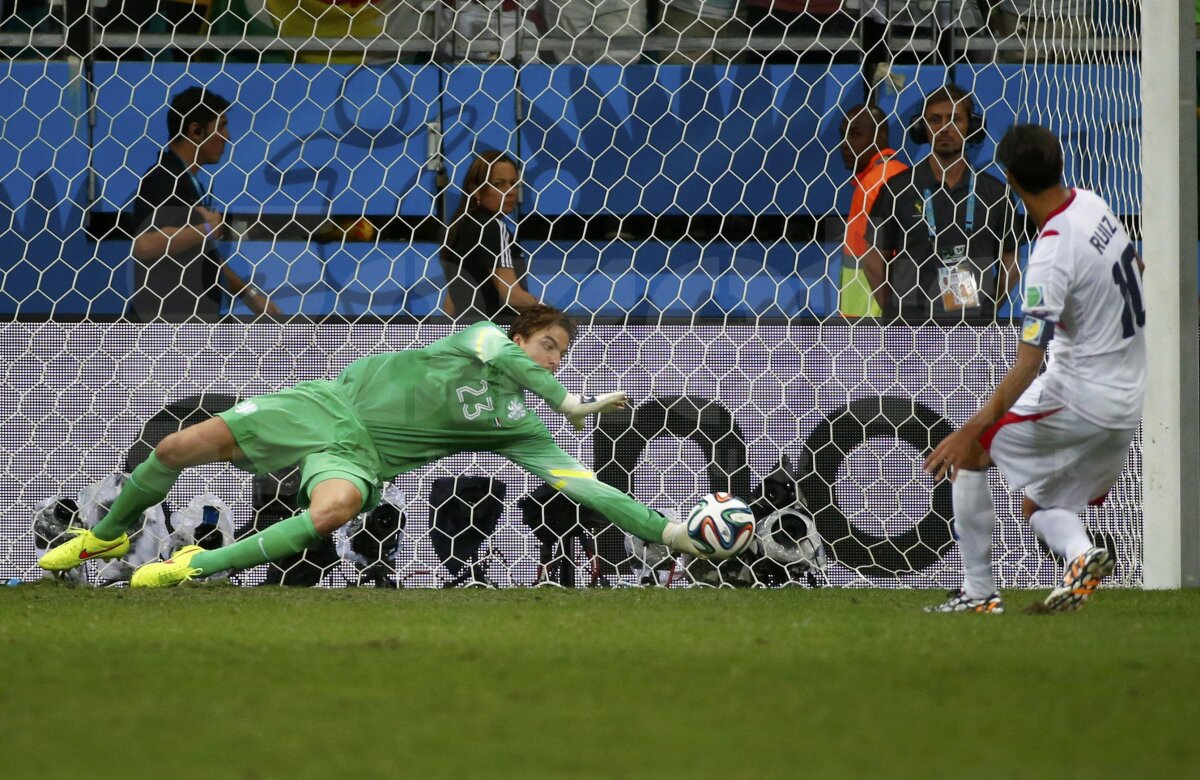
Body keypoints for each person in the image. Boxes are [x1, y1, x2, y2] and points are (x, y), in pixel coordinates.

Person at [38, 304, 714, 586]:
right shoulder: (477, 340)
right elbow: (491, 346)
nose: (556, 362)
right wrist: (567, 401)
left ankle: (186, 570)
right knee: (177, 448)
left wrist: (669, 530)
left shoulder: (521, 427)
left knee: (331, 511)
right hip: (322, 407)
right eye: (548, 347)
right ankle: (110, 536)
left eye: (564, 356)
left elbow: (585, 486)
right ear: (519, 340)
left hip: (360, 458)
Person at [923, 124, 1144, 614]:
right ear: (1059, 161)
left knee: (972, 455)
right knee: (1040, 506)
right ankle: (1081, 554)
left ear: (1009, 179)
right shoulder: (1094, 204)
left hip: (1079, 395)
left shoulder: (1049, 254)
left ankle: (978, 594)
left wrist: (969, 432)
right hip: (1127, 403)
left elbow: (1029, 363)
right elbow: (1138, 269)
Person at [861, 85, 1019, 323]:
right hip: (911, 331)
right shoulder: (897, 189)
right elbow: (873, 260)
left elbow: (1011, 262)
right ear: (922, 128)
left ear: (971, 126)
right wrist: (898, 313)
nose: (945, 128)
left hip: (973, 331)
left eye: (954, 119)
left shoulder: (996, 193)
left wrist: (987, 309)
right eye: (935, 120)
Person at [129, 87, 280, 322]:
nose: (227, 136)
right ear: (196, 131)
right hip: (166, 329)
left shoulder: (189, 182)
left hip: (190, 322)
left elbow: (202, 254)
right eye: (220, 126)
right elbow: (145, 245)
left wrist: (248, 294)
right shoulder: (163, 177)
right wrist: (206, 229)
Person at [440, 151, 540, 322]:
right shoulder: (493, 227)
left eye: (514, 184)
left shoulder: (459, 228)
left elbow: (450, 305)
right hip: (496, 336)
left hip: (465, 336)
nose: (510, 192)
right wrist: (547, 313)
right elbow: (512, 296)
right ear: (477, 191)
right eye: (499, 184)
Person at [836, 103, 908, 318]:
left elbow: (889, 257)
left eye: (855, 134)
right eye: (843, 135)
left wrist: (892, 315)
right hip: (870, 319)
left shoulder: (877, 183)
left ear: (881, 135)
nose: (845, 144)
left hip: (872, 323)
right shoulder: (892, 175)